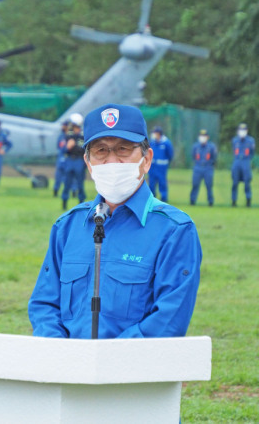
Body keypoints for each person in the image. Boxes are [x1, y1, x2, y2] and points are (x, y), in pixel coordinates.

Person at [28, 103, 201, 339]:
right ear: (88, 163)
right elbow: (44, 305)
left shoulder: (174, 231)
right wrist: (64, 358)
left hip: (133, 371)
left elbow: (169, 320)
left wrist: (106, 365)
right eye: (101, 151)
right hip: (69, 370)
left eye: (123, 149)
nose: (112, 162)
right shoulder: (67, 227)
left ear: (146, 159)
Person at [60, 113, 87, 209]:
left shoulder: (83, 135)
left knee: (80, 184)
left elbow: (84, 149)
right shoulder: (69, 135)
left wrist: (73, 146)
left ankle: (81, 203)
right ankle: (64, 203)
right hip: (70, 160)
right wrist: (68, 147)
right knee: (67, 183)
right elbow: (64, 149)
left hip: (79, 160)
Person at [190, 129, 217, 206]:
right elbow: (193, 156)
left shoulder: (211, 147)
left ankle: (210, 201)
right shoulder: (196, 146)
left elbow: (214, 157)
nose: (202, 138)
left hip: (208, 167)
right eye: (201, 136)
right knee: (195, 184)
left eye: (204, 136)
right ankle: (192, 200)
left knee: (209, 185)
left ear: (207, 137)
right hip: (198, 167)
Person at [231, 123, 255, 207]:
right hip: (237, 161)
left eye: (244, 130)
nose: (242, 132)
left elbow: (252, 153)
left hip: (246, 161)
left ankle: (248, 200)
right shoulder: (235, 140)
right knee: (235, 182)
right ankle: (234, 201)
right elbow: (233, 150)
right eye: (240, 130)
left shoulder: (250, 141)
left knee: (247, 182)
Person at [148, 125, 174, 202]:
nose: (153, 135)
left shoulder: (166, 143)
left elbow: (170, 155)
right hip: (152, 166)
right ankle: (152, 198)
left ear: (159, 134)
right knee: (151, 182)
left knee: (162, 182)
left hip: (162, 167)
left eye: (155, 133)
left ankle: (164, 198)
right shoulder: (152, 142)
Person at [53, 121, 69, 197]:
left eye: (64, 125)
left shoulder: (71, 136)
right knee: (58, 176)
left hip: (69, 159)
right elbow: (59, 146)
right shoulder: (61, 136)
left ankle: (73, 191)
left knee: (69, 178)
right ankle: (55, 190)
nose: (62, 127)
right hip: (61, 158)